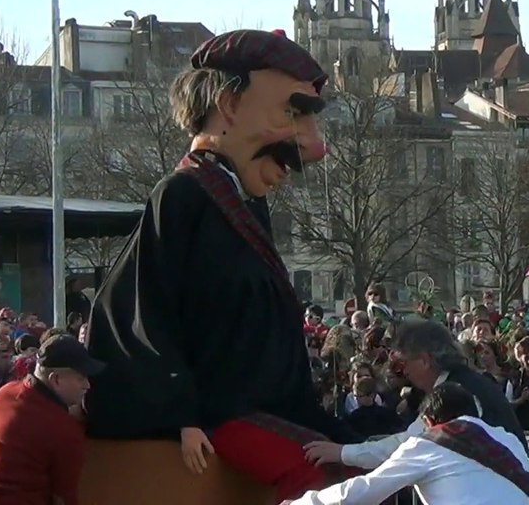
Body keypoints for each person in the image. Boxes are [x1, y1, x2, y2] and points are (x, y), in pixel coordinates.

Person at [83, 29, 357, 502]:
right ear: (229, 104)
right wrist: (181, 411)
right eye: (291, 113)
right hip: (223, 413)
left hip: (264, 409)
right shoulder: (184, 194)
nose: (308, 148)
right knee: (319, 479)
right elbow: (149, 308)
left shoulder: (244, 202)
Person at [304, 319, 525, 471]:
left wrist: (342, 453)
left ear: (425, 360)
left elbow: (405, 446)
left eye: (403, 364)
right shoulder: (469, 381)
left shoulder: (451, 394)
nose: (404, 372)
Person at [288, 383, 529, 505]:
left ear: (428, 420)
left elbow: (366, 490)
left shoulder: (428, 443)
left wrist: (303, 503)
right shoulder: (504, 437)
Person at [0, 335, 101, 505]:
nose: (87, 385)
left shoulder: (3, 394)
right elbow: (63, 499)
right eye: (81, 377)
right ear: (56, 379)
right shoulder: (63, 429)